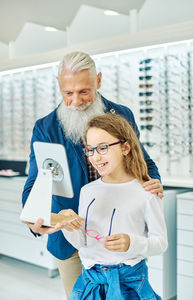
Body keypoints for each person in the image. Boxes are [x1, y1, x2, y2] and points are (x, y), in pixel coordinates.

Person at [22, 51, 164, 298]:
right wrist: (36, 217)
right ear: (59, 85)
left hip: (121, 239)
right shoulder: (45, 128)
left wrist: (153, 183)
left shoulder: (122, 115)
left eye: (84, 91)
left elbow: (143, 162)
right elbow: (36, 182)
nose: (76, 101)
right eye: (68, 93)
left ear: (98, 80)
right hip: (71, 240)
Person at [60, 113, 168, 299]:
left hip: (129, 284)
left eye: (103, 148)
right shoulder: (88, 191)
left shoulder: (147, 192)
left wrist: (131, 243)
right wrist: (68, 226)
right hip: (90, 283)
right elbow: (82, 242)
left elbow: (160, 244)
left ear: (125, 147)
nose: (95, 157)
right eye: (90, 150)